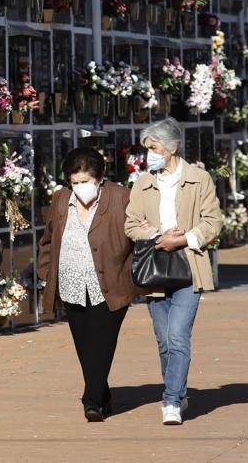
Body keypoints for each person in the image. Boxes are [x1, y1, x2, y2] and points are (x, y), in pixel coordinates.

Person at [126, 118, 222, 426]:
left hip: (189, 267)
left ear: (173, 148)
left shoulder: (199, 179)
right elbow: (131, 224)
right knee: (164, 340)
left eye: (154, 148)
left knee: (178, 335)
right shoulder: (142, 183)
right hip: (155, 269)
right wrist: (158, 236)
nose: (149, 154)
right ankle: (178, 391)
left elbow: (212, 222)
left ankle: (171, 401)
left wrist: (181, 239)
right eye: (147, 148)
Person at [37, 147, 137, 422]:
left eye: (86, 181)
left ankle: (91, 400)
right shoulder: (61, 200)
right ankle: (102, 395)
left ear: (100, 177)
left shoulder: (122, 197)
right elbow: (48, 238)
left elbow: (138, 235)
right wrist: (46, 271)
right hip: (71, 282)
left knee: (102, 343)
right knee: (84, 346)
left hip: (110, 284)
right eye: (75, 182)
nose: (81, 187)